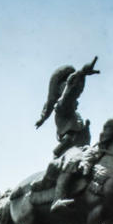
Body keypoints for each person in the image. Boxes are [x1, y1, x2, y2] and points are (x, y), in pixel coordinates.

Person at [36, 57, 100, 213]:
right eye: (65, 83)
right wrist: (81, 73)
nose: (72, 87)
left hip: (83, 148)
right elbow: (70, 93)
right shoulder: (62, 107)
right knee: (73, 160)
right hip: (68, 149)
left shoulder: (76, 114)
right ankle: (58, 198)